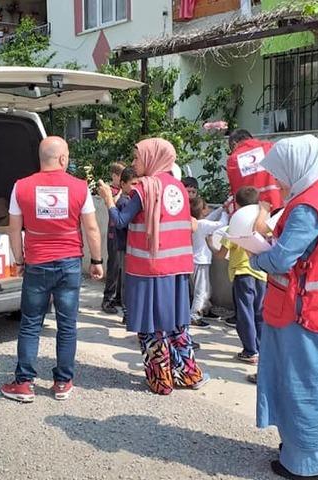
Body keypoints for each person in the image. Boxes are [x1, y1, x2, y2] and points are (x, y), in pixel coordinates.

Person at [249, 135, 318, 480]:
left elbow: (281, 258)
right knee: (315, 384)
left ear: (296, 168)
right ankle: (313, 448)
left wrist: (255, 254)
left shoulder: (307, 207)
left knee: (300, 386)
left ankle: (304, 463)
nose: (277, 181)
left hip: (303, 312)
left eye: (280, 174)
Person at [98, 138, 209, 395]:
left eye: (137, 157)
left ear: (152, 157)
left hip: (149, 268)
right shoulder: (178, 187)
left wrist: (108, 200)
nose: (134, 163)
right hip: (178, 267)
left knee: (151, 325)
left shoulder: (145, 188)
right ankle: (190, 374)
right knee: (176, 324)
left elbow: (121, 221)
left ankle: (161, 381)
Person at [1, 136, 104, 403]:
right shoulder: (80, 187)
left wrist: (19, 260)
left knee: (31, 323)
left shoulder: (20, 187)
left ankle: (24, 383)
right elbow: (91, 228)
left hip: (36, 264)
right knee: (67, 325)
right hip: (69, 264)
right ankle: (62, 382)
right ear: (62, 159)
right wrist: (96, 261)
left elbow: (14, 229)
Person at [211, 186, 266, 365]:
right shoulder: (262, 219)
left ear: (237, 204)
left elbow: (221, 253)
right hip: (261, 273)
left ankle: (250, 351)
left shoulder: (236, 223)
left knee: (245, 313)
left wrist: (209, 244)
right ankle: (260, 349)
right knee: (259, 313)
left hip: (242, 273)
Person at [102, 167, 138, 321]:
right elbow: (121, 222)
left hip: (122, 243)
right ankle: (112, 302)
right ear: (123, 184)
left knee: (122, 277)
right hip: (120, 243)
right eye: (133, 183)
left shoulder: (128, 200)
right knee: (117, 274)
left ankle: (117, 301)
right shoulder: (124, 201)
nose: (136, 187)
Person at [224, 129, 283, 215]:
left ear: (234, 144)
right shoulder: (270, 147)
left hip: (251, 212)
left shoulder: (233, 159)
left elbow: (236, 192)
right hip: (278, 205)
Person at [188, 196, 225, 326]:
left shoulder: (195, 222)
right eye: (206, 207)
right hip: (200, 261)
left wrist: (221, 208)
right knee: (201, 291)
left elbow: (210, 218)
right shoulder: (203, 225)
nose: (209, 209)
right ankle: (194, 315)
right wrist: (226, 211)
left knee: (205, 289)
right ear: (202, 210)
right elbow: (221, 224)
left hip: (194, 260)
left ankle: (205, 309)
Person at [101, 162, 126, 314]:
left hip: (123, 234)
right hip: (113, 234)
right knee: (114, 267)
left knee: (123, 268)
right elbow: (112, 204)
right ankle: (107, 299)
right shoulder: (110, 190)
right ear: (115, 176)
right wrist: (121, 191)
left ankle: (118, 297)